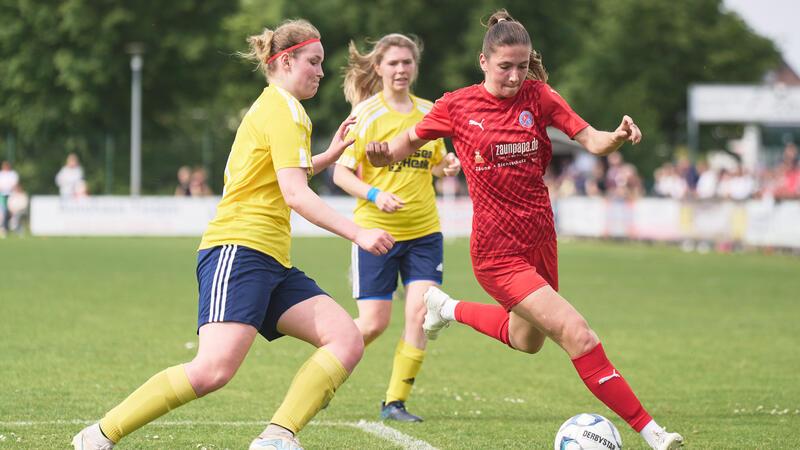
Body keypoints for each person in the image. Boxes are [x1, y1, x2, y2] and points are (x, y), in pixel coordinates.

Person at [366, 10, 683, 450]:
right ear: (483, 61)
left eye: (522, 65)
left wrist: (617, 135)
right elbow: (401, 146)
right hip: (497, 254)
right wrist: (380, 156)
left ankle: (445, 308)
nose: (515, 76)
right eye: (505, 67)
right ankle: (653, 432)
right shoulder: (456, 106)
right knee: (578, 334)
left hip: (540, 244)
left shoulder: (540, 96)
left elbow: (589, 137)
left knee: (526, 340)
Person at [72, 19, 395, 450]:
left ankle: (276, 438)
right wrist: (358, 232)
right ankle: (99, 435)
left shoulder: (282, 109)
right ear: (285, 60)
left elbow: (276, 177)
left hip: (271, 260)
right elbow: (295, 195)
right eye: (313, 62)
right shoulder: (283, 110)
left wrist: (329, 156)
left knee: (346, 337)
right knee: (212, 371)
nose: (321, 72)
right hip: (239, 251)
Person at [334, 33, 461, 422]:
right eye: (393, 63)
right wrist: (374, 194)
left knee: (420, 314)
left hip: (424, 232)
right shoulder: (367, 115)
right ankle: (321, 376)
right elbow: (340, 173)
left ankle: (395, 402)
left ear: (415, 66)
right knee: (373, 323)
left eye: (407, 62)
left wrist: (447, 166)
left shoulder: (429, 113)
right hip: (376, 232)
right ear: (379, 68)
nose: (401, 69)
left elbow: (433, 162)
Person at [0, 160, 19, 234]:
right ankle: (4, 227)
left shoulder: (13, 174)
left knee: (12, 211)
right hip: (2, 195)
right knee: (3, 211)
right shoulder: (1, 174)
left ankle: (14, 227)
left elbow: (15, 184)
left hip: (11, 195)